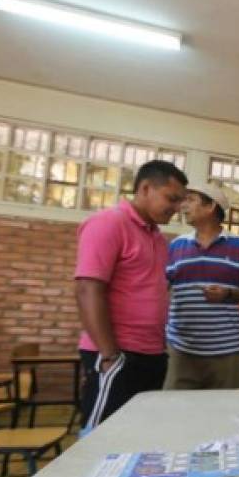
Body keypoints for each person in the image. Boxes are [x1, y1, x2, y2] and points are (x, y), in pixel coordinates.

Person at [75, 160, 188, 432]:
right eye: (171, 199)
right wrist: (110, 355)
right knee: (102, 437)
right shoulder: (108, 223)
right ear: (146, 188)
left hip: (151, 354)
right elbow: (88, 289)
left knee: (138, 434)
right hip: (118, 354)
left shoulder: (159, 239)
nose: (176, 209)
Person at [164, 181, 239, 389]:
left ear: (210, 207)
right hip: (180, 350)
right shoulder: (176, 245)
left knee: (221, 415)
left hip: (226, 352)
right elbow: (162, 288)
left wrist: (228, 294)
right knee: (174, 413)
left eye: (191, 200)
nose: (183, 206)